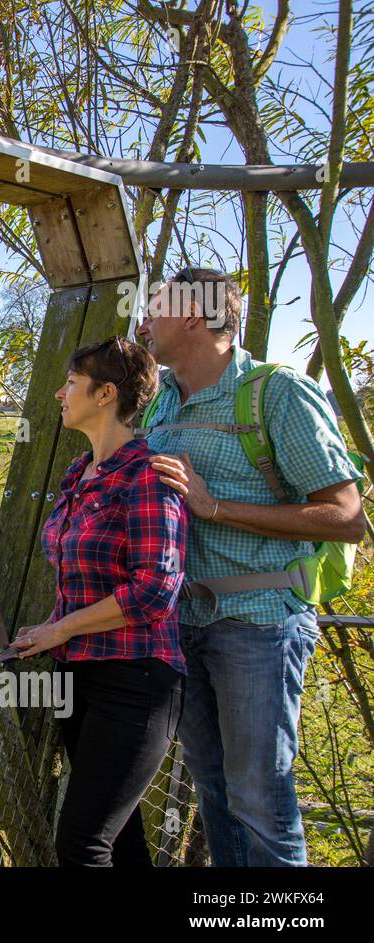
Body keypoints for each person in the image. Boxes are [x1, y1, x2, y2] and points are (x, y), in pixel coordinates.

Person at [138, 267, 366, 866]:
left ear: (193, 315)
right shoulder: (164, 398)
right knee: (215, 789)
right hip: (182, 623)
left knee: (260, 798)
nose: (144, 320)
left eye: (155, 307)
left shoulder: (277, 392)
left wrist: (216, 507)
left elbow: (345, 516)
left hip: (258, 624)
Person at [11, 336, 188, 866]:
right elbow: (79, 574)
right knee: (120, 841)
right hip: (79, 676)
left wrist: (63, 628)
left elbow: (155, 588)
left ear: (106, 392)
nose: (61, 394)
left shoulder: (149, 475)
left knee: (83, 845)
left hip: (135, 680)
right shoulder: (79, 473)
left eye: (71, 383)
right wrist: (51, 627)